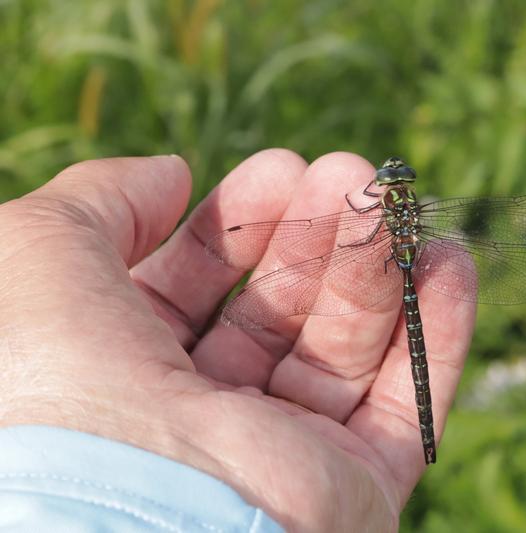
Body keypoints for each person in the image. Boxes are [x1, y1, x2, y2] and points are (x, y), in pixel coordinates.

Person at [0, 150, 476, 532]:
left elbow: (362, 221)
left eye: (393, 180)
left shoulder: (377, 208)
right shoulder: (409, 213)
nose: (393, 181)